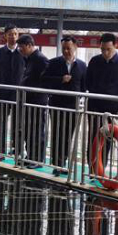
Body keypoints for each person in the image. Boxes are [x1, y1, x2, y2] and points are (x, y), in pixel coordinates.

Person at [42, 36, 87, 175]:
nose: (66, 51)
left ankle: (63, 162)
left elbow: (84, 85)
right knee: (57, 134)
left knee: (68, 135)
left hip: (73, 106)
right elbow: (44, 80)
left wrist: (80, 97)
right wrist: (60, 79)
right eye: (64, 49)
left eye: (69, 48)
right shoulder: (53, 63)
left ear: (75, 47)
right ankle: (57, 164)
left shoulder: (82, 65)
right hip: (57, 104)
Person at [84, 33, 118, 165]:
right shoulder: (94, 61)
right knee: (93, 137)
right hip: (94, 105)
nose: (105, 52)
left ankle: (101, 167)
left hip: (111, 108)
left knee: (107, 138)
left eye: (108, 49)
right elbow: (87, 81)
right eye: (102, 49)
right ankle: (92, 167)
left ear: (115, 46)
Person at [0, 24, 24, 161]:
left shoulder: (22, 52)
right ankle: (1, 150)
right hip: (3, 94)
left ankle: (18, 150)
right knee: (2, 123)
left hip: (18, 94)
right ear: (5, 36)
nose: (13, 37)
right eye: (10, 34)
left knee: (19, 124)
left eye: (15, 34)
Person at [16, 34, 49, 166]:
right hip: (28, 100)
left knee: (36, 130)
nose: (20, 50)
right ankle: (30, 156)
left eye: (21, 47)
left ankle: (37, 159)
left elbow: (45, 80)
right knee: (29, 130)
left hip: (37, 101)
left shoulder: (41, 59)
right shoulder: (29, 58)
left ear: (29, 45)